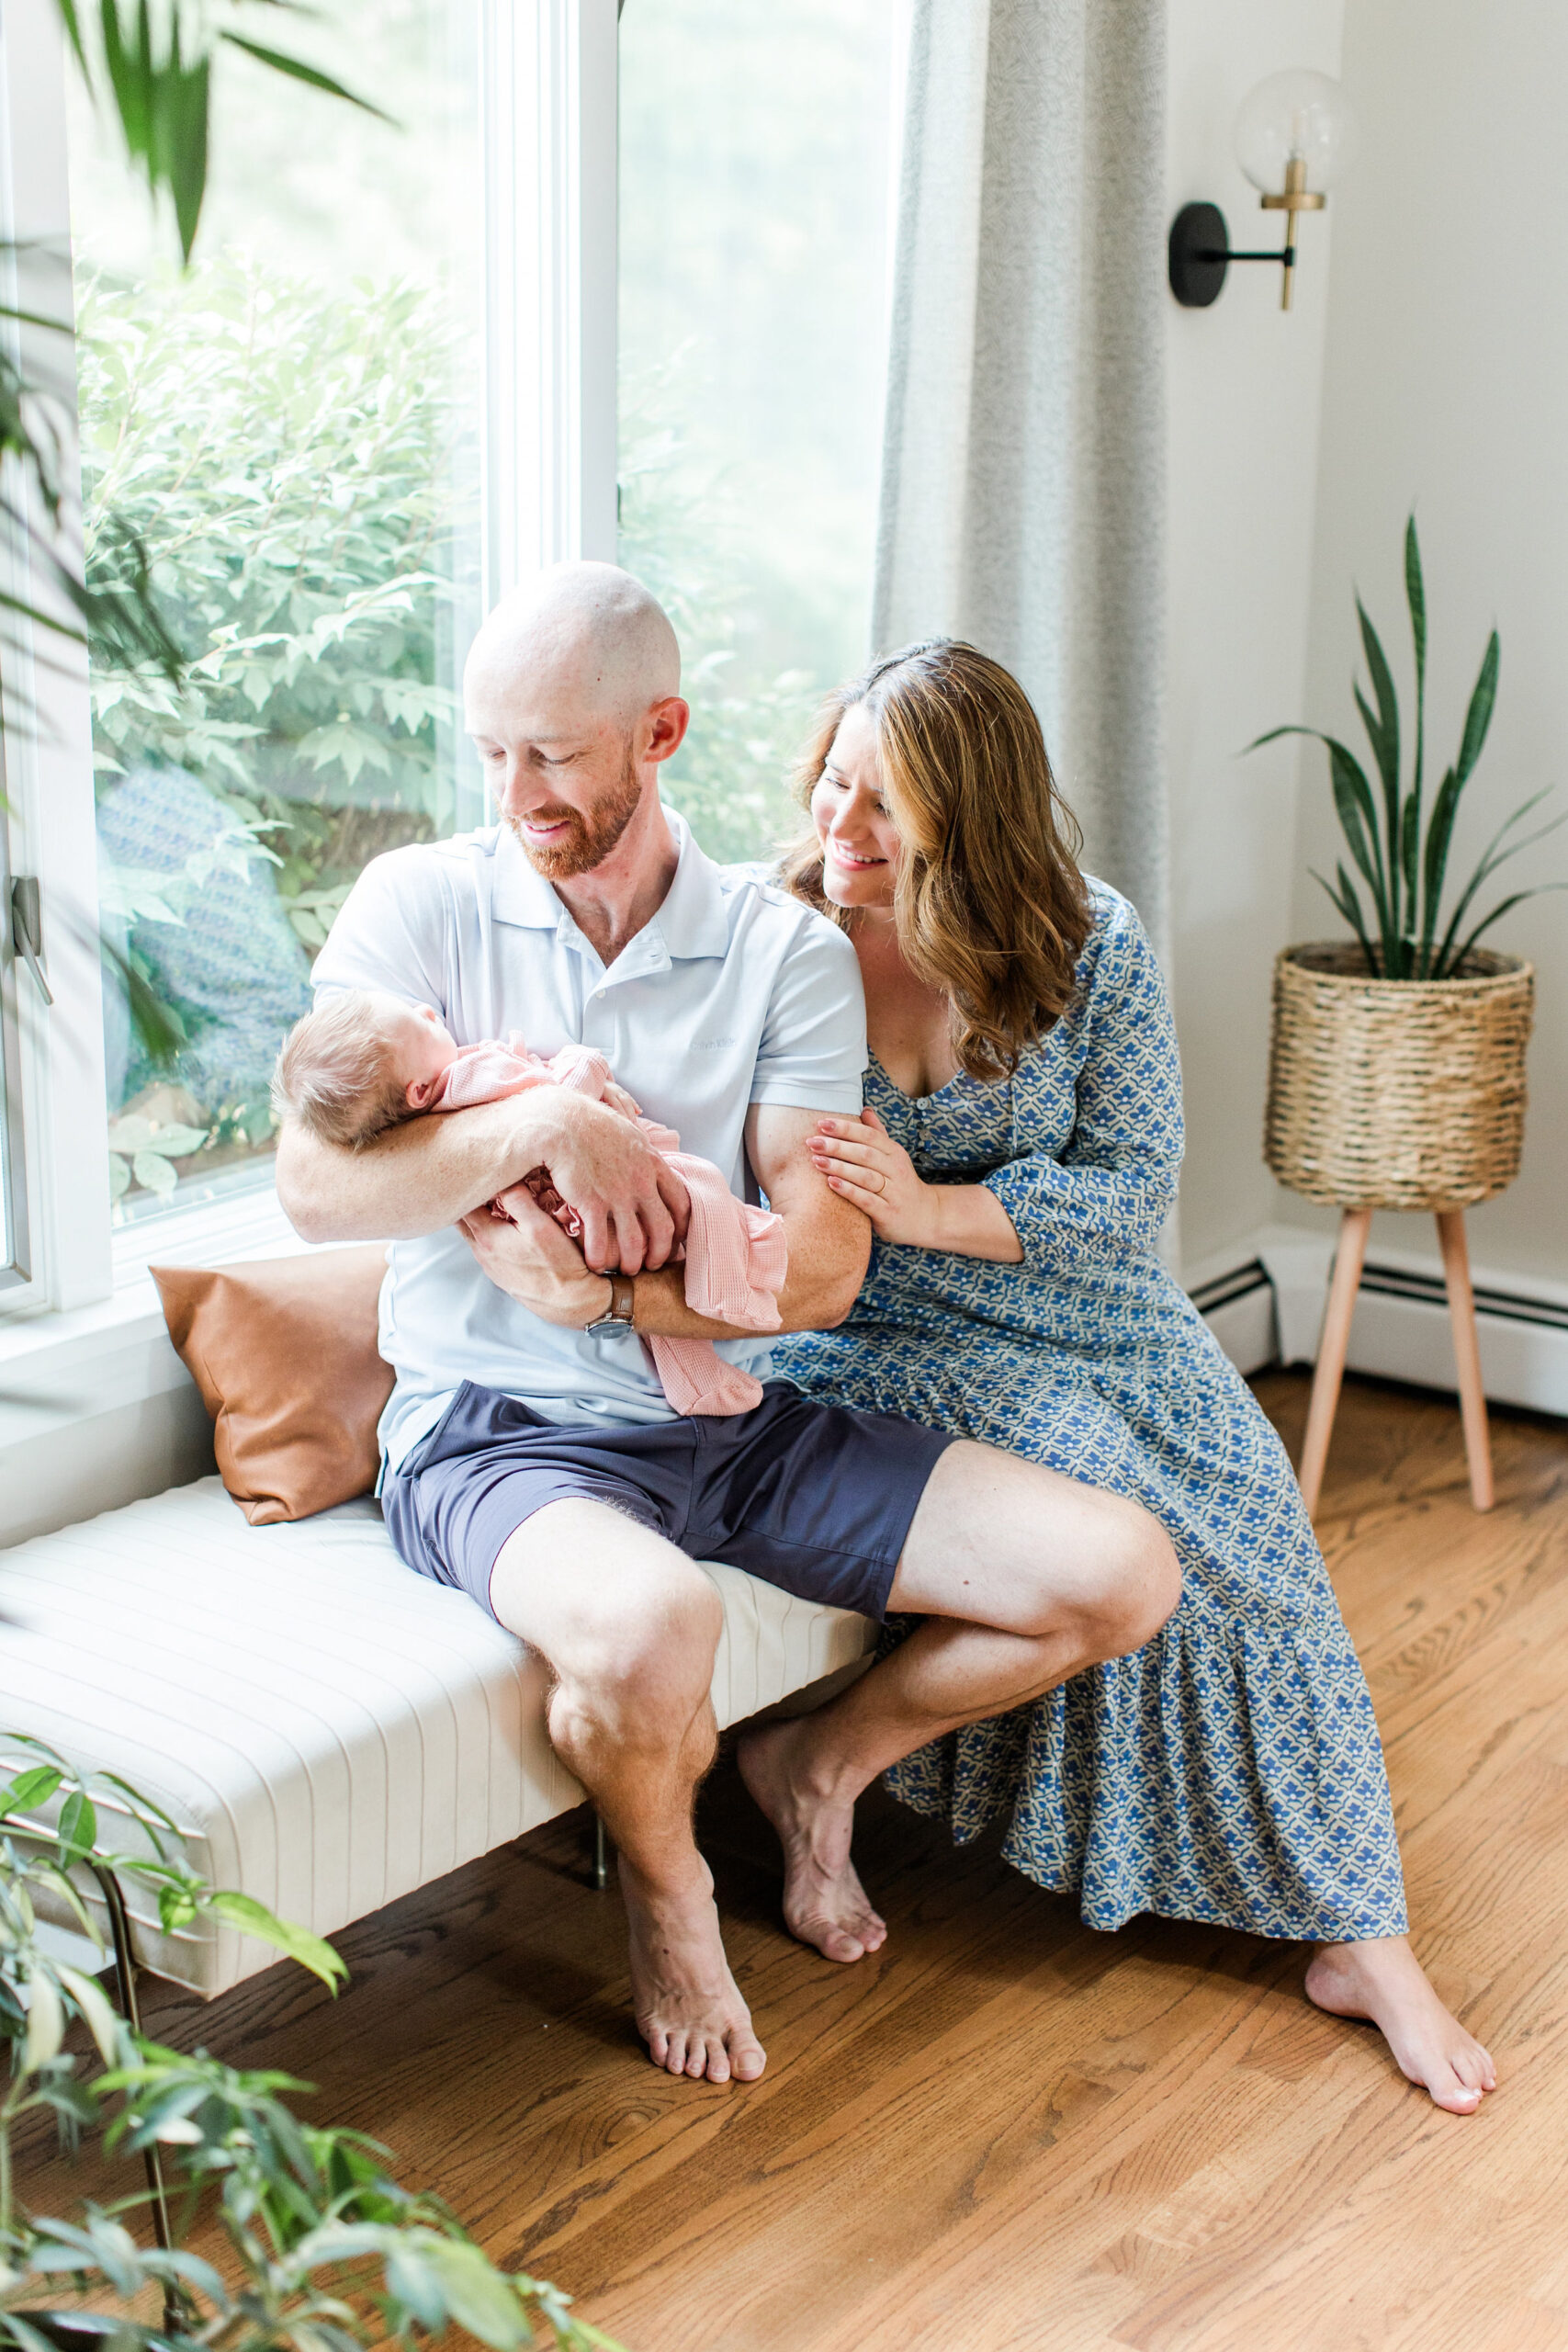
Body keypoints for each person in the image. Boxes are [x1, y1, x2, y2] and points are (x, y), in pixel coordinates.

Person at [274, 564, 1180, 2088]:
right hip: (496, 1433)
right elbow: (314, 1187)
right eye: (491, 750)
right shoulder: (420, 904)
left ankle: (813, 1767)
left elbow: (819, 1273)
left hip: (726, 1417)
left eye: (551, 753)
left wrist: (611, 1292)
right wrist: (559, 1126)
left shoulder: (783, 952)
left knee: (1116, 1571)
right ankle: (671, 1893)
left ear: (661, 731)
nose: (513, 790)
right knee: (653, 1625)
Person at [747, 636, 1496, 2117]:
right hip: (878, 1331)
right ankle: (823, 1772)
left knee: (1256, 1531)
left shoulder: (1087, 938)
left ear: (973, 829)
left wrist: (935, 1206)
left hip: (1087, 1302)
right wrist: (883, 1234)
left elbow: (1131, 1184)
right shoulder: (774, 940)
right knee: (1120, 1500)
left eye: (885, 811)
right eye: (834, 783)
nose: (841, 835)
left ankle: (1358, 1934)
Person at [271, 988, 786, 1414]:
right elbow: (558, 1094)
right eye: (419, 1024)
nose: (430, 1011)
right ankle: (730, 1287)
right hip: (584, 1203)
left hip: (561, 1221)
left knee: (658, 1282)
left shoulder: (430, 1123)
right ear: (419, 1091)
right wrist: (587, 1062)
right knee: (703, 1191)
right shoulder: (467, 1079)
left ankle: (696, 1380)